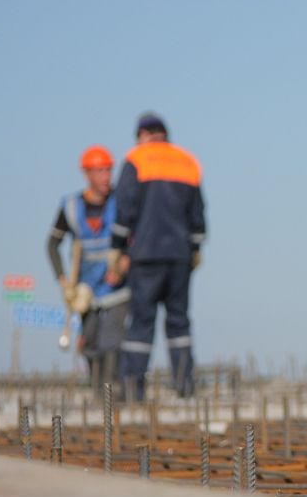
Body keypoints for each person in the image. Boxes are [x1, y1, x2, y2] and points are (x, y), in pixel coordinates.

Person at [109, 112, 206, 401]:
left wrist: (118, 247)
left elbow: (125, 209)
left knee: (141, 322)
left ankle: (132, 390)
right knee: (179, 321)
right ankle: (184, 386)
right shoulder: (187, 161)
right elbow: (198, 215)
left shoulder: (137, 159)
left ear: (142, 135)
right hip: (179, 256)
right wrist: (196, 249)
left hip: (145, 256)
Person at [47, 145, 130, 391]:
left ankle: (112, 394)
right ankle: (97, 393)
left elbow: (138, 237)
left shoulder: (122, 202)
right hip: (86, 289)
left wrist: (125, 263)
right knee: (91, 341)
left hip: (118, 287)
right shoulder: (71, 207)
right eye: (100, 171)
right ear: (87, 174)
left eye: (108, 170)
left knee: (112, 341)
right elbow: (52, 244)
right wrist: (64, 281)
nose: (106, 176)